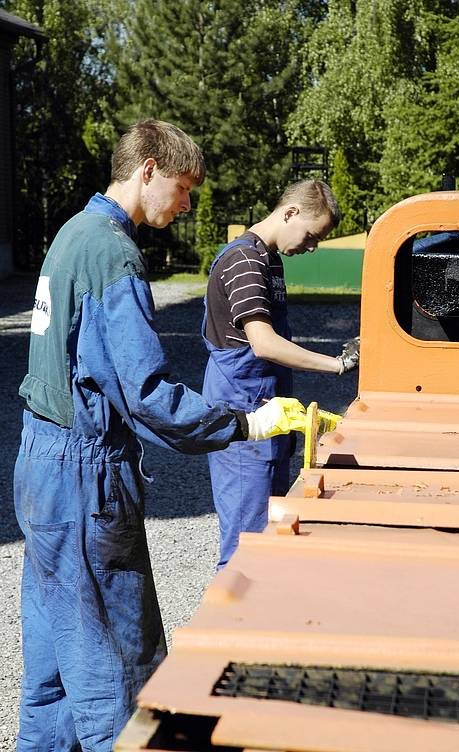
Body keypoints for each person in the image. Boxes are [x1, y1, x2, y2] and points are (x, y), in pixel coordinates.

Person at [14, 119, 305, 752]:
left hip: (40, 465)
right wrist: (246, 422)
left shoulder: (71, 234)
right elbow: (145, 393)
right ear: (148, 169)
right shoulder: (114, 253)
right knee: (117, 668)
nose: (186, 204)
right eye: (183, 187)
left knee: (54, 671)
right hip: (83, 477)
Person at [202, 180, 359, 569]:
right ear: (290, 213)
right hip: (244, 417)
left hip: (268, 412)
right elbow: (264, 344)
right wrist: (337, 364)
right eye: (311, 235)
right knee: (245, 546)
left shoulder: (268, 259)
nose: (311, 247)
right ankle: (233, 623)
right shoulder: (245, 260)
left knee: (268, 535)